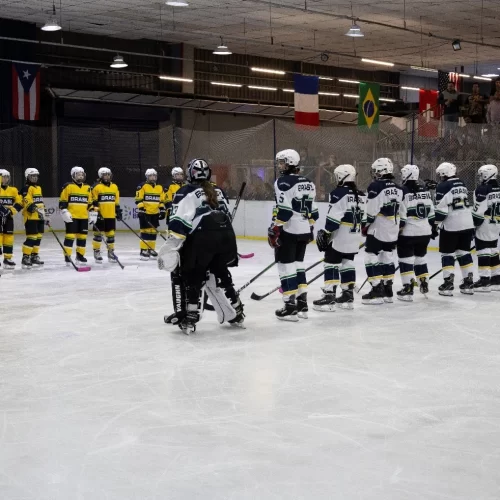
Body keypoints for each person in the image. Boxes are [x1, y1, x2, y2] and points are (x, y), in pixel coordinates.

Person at [158, 158, 244, 334]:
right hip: (226, 239)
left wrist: (172, 244)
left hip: (203, 240)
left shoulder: (186, 191)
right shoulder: (218, 190)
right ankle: (237, 311)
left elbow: (178, 222)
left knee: (193, 276)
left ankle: (190, 317)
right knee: (220, 274)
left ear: (190, 173)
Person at [268, 149, 318, 321]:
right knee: (298, 265)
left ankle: (290, 307)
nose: (280, 165)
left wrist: (275, 229)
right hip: (304, 230)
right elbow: (314, 212)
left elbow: (285, 211)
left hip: (289, 230)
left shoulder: (282, 182)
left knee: (285, 267)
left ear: (290, 163)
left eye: (282, 162)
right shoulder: (309, 182)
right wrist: (310, 227)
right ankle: (302, 304)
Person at [314, 164, 365, 311]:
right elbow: (366, 219)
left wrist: (326, 232)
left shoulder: (338, 193)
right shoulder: (361, 194)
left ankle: (329, 296)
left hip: (340, 236)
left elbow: (333, 220)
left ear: (342, 176)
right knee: (347, 263)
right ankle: (347, 296)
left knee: (331, 263)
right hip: (354, 237)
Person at [361, 158, 403, 305]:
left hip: (378, 227)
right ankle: (387, 289)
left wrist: (365, 225)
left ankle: (376, 289)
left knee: (370, 256)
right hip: (393, 227)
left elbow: (372, 210)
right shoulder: (399, 188)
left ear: (381, 171)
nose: (374, 173)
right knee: (387, 256)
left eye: (376, 170)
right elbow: (402, 210)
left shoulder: (376, 186)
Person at [434, 162, 475, 295]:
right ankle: (468, 283)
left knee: (448, 254)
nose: (440, 176)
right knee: (464, 252)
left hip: (452, 225)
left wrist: (433, 224)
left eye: (440, 174)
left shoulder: (442, 186)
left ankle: (448, 283)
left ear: (444, 173)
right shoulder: (462, 183)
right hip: (467, 223)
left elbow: (441, 212)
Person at [396, 164, 435, 301]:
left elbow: (402, 216)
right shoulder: (425, 190)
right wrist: (432, 228)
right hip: (425, 232)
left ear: (407, 175)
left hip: (409, 233)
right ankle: (423, 282)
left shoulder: (403, 191)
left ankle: (407, 288)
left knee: (405, 260)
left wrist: (396, 232)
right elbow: (431, 212)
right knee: (420, 259)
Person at [59, 166, 96, 266]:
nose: (80, 176)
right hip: (72, 217)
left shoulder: (87, 187)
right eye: (78, 174)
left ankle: (80, 256)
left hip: (83, 217)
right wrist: (64, 211)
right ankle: (67, 257)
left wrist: (92, 213)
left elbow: (89, 203)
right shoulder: (68, 186)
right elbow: (62, 201)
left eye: (82, 174)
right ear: (73, 176)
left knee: (82, 237)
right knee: (70, 236)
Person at [471, 164, 500, 292]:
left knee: (483, 249)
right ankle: (496, 279)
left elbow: (478, 211)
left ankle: (484, 280)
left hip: (485, 223)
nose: (480, 177)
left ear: (488, 175)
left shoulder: (482, 189)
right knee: (493, 249)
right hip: (496, 223)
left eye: (482, 175)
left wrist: (473, 225)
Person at [91, 167, 121, 264]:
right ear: (100, 176)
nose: (107, 176)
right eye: (105, 175)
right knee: (98, 235)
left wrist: (118, 211)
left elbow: (116, 201)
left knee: (111, 235)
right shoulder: (96, 187)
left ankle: (111, 253)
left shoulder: (114, 187)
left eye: (108, 174)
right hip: (100, 216)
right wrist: (96, 212)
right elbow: (93, 201)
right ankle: (96, 252)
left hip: (110, 215)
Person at [135, 168, 165, 260]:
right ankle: (144, 250)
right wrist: (141, 209)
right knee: (145, 231)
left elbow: (161, 200)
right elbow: (138, 199)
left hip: (155, 213)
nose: (153, 178)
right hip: (145, 213)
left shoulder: (159, 187)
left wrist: (162, 210)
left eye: (154, 176)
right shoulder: (142, 186)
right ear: (147, 177)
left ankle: (151, 249)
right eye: (151, 176)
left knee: (153, 231)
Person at [20, 168, 47, 269]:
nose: (35, 178)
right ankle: (25, 257)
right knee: (32, 237)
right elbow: (26, 201)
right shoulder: (26, 188)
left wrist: (44, 213)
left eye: (36, 176)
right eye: (32, 176)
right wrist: (34, 208)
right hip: (31, 217)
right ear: (27, 177)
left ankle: (34, 256)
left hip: (39, 217)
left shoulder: (39, 188)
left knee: (38, 237)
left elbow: (40, 201)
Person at [0, 169, 23, 269]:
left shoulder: (13, 190)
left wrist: (11, 211)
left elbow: (20, 202)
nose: (6, 179)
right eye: (3, 177)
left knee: (9, 237)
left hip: (9, 217)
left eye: (7, 177)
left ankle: (7, 258)